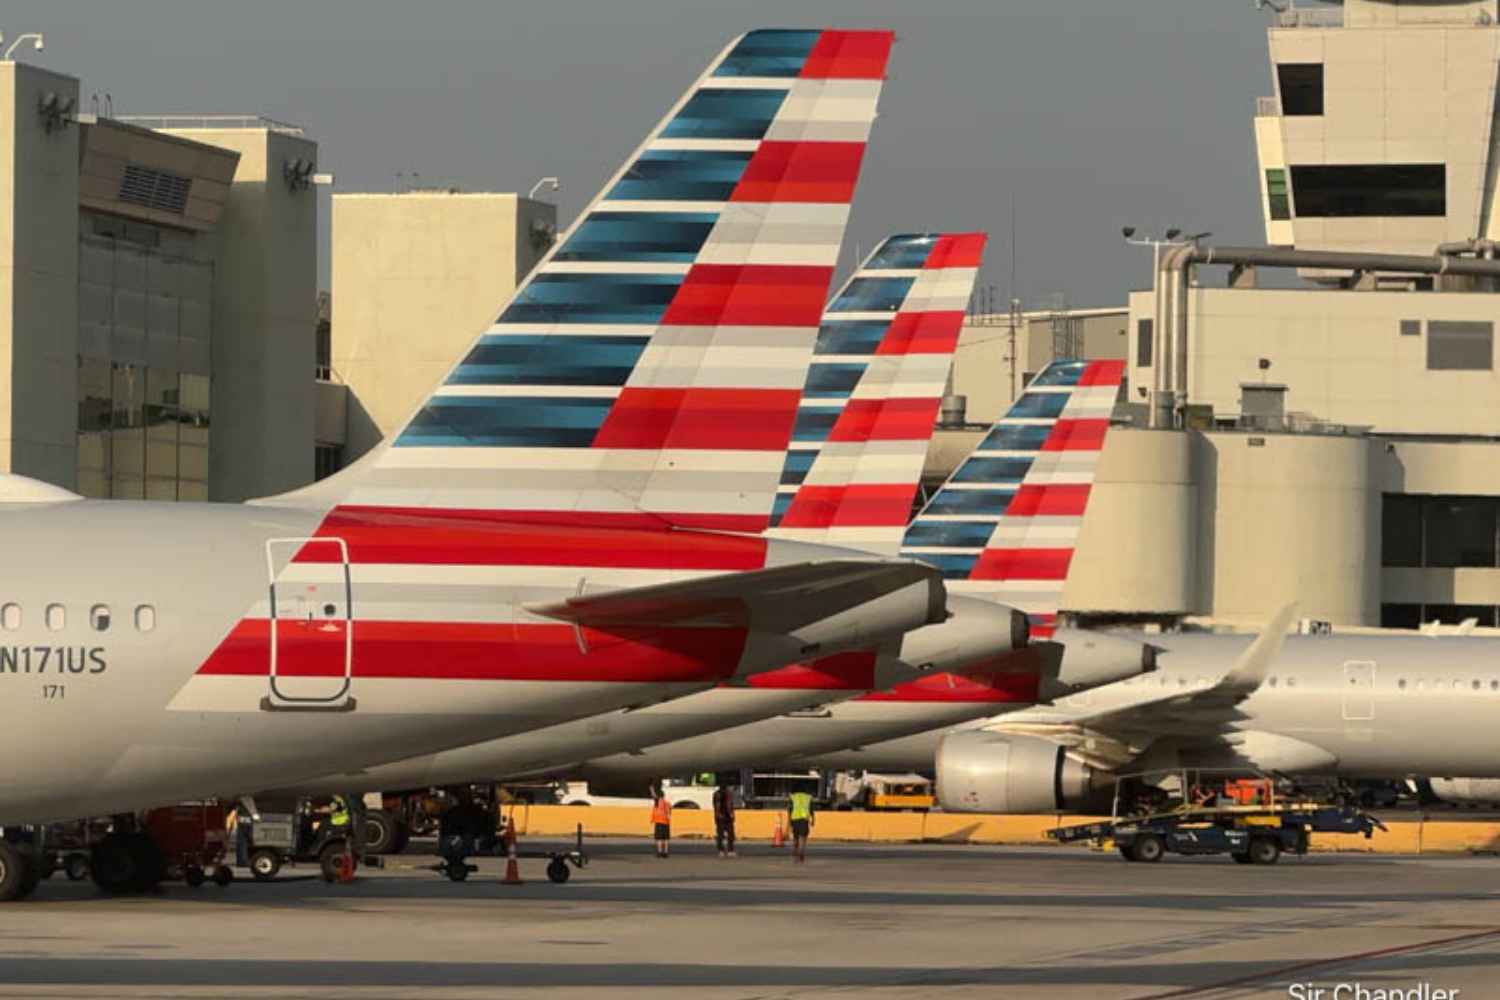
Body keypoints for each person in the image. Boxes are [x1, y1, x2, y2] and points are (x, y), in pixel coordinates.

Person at [788, 788, 814, 863]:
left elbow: (790, 810)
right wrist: (813, 819)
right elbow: (811, 810)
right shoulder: (808, 797)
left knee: (795, 837)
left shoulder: (793, 797)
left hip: (795, 818)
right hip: (804, 819)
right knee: (803, 836)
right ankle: (801, 851)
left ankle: (796, 852)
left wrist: (789, 821)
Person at [713, 782, 736, 858]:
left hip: (727, 816)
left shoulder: (728, 793)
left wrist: (732, 815)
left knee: (729, 834)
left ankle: (728, 850)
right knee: (721, 835)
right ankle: (723, 850)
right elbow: (717, 805)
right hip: (722, 816)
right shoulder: (718, 794)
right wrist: (718, 814)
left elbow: (731, 805)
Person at [651, 786, 672, 858]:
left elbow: (653, 795)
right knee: (665, 838)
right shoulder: (668, 803)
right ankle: (665, 853)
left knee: (659, 838)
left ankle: (659, 852)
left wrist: (651, 788)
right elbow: (669, 813)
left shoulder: (658, 802)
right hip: (666, 823)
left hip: (659, 822)